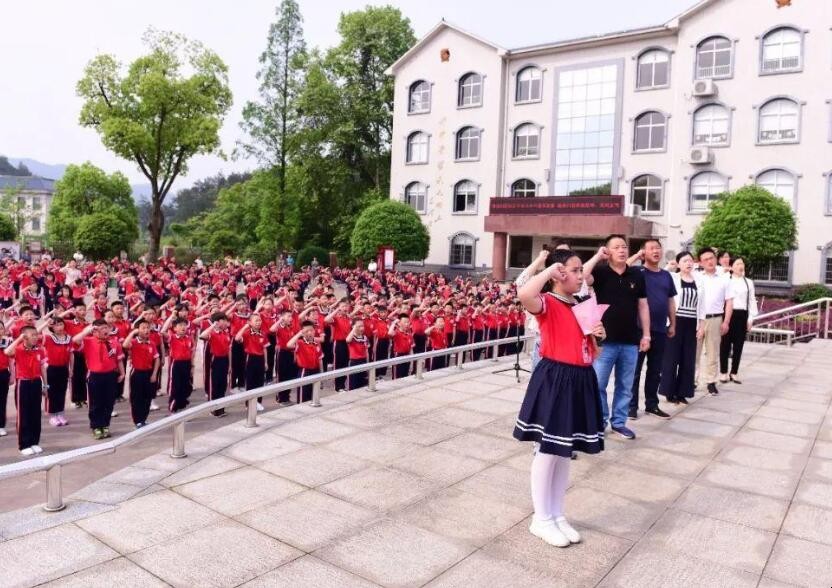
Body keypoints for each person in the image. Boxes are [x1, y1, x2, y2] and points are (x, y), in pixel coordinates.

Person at [513, 249, 606, 548]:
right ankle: (541, 518)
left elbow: (594, 351)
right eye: (576, 270)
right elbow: (524, 293)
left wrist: (597, 336)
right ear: (560, 273)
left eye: (581, 270)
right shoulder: (548, 302)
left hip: (580, 378)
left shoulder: (581, 304)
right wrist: (547, 268)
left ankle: (556, 513)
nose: (582, 275)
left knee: (565, 450)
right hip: (556, 379)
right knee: (548, 449)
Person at [583, 236, 650, 440]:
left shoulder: (637, 274)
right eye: (616, 247)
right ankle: (600, 422)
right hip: (605, 341)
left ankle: (619, 423)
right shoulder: (600, 272)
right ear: (608, 251)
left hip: (630, 340)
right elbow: (582, 277)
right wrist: (597, 257)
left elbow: (643, 305)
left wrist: (646, 334)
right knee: (599, 384)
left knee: (625, 385)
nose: (622, 250)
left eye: (624, 246)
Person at [627, 240, 677, 420]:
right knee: (635, 369)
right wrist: (636, 256)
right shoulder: (636, 272)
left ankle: (652, 404)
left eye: (658, 248)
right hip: (639, 329)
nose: (656, 251)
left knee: (655, 370)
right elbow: (621, 267)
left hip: (660, 329)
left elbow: (671, 300)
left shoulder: (666, 276)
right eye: (651, 248)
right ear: (644, 252)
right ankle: (631, 406)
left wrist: (673, 323)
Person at [659, 252, 703, 404]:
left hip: (692, 322)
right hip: (676, 320)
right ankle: (669, 391)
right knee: (671, 357)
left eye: (690, 261)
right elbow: (661, 276)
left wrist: (701, 326)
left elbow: (702, 306)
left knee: (688, 358)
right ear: (678, 264)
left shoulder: (699, 280)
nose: (688, 263)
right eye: (685, 261)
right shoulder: (673, 278)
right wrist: (669, 267)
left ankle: (683, 392)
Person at [74, 318, 124, 440]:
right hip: (95, 376)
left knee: (109, 401)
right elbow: (75, 340)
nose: (105, 330)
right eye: (101, 328)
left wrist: (122, 373)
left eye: (106, 327)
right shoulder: (88, 341)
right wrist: (88, 330)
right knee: (96, 402)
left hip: (110, 375)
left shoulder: (114, 342)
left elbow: (119, 359)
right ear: (95, 331)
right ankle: (96, 426)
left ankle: (105, 425)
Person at [695, 247, 733, 396]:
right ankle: (693, 380)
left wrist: (726, 322)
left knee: (712, 353)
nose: (709, 261)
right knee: (695, 352)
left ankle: (711, 382)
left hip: (716, 318)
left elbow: (729, 301)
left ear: (715, 259)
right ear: (700, 262)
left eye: (711, 258)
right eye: (705, 259)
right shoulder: (697, 277)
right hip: (698, 319)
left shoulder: (724, 278)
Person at [4, 325, 47, 455]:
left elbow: (43, 368)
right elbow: (7, 352)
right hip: (23, 383)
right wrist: (19, 339)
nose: (35, 337)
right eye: (32, 335)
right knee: (24, 414)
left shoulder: (39, 350)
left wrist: (45, 385)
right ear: (24, 337)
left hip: (36, 383)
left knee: (35, 414)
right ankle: (24, 444)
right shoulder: (18, 349)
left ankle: (34, 442)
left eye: (36, 334)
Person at [720, 257, 757, 383]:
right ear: (731, 267)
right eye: (737, 263)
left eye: (742, 263)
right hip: (727, 314)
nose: (741, 266)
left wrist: (751, 318)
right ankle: (723, 372)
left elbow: (752, 300)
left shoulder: (748, 282)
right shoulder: (725, 279)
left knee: (738, 346)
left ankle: (734, 372)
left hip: (742, 315)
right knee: (724, 344)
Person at [123, 320, 160, 427]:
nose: (146, 330)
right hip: (137, 373)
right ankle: (137, 420)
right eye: (143, 328)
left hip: (149, 373)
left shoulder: (151, 343)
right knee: (136, 397)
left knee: (147, 397)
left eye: (148, 327)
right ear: (137, 330)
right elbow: (125, 345)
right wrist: (132, 333)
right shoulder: (134, 342)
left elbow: (156, 359)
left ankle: (144, 419)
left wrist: (154, 374)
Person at [199, 312, 232, 417]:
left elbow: (229, 350)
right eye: (224, 320)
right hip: (215, 361)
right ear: (218, 321)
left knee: (222, 385)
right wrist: (213, 326)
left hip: (225, 360)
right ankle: (213, 409)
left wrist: (230, 365)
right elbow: (202, 336)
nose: (226, 323)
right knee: (214, 385)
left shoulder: (226, 333)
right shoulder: (212, 333)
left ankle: (221, 409)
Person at [289, 320, 323, 403]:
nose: (310, 333)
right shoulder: (300, 343)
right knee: (303, 397)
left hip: (316, 371)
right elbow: (289, 345)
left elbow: (320, 360)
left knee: (314, 396)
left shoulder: (317, 343)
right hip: (305, 372)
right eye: (307, 331)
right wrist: (299, 334)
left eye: (311, 330)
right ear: (303, 332)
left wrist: (322, 374)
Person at [346, 319, 370, 390]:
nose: (362, 328)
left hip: (363, 361)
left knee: (363, 384)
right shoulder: (352, 337)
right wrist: (353, 329)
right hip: (354, 362)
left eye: (362, 326)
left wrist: (367, 363)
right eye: (359, 326)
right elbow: (347, 340)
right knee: (353, 384)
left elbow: (367, 351)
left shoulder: (365, 337)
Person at [0, 322, 11, 438]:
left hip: (3, 373)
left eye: (1, 328)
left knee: (2, 401)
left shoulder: (7, 342)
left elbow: (11, 359)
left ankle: (1, 425)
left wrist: (12, 374)